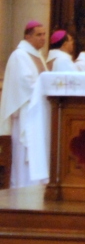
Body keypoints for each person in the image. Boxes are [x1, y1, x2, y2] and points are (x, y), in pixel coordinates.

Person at [0, 21, 49, 187]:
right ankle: (22, 186)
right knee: (24, 153)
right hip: (26, 112)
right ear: (27, 36)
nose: (43, 38)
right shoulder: (19, 55)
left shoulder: (38, 54)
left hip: (38, 110)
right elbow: (25, 83)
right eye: (38, 34)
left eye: (44, 34)